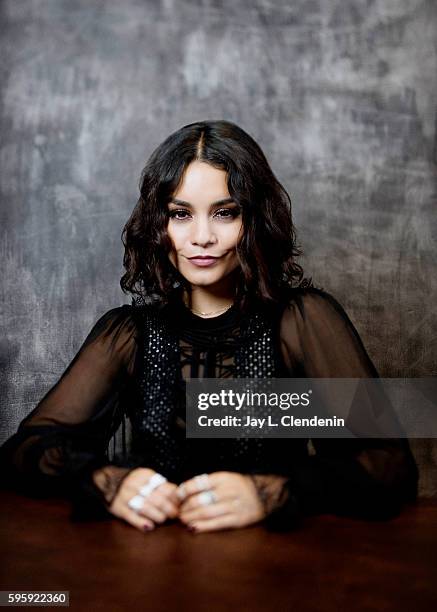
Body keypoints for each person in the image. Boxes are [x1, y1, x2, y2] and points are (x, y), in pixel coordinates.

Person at [0, 120, 418, 534]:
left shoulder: (301, 321)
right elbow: (22, 453)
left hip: (272, 572)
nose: (202, 236)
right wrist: (111, 482)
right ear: (158, 225)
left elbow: (390, 467)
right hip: (147, 569)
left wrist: (268, 492)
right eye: (180, 214)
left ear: (253, 219)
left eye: (224, 213)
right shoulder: (128, 334)